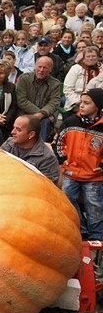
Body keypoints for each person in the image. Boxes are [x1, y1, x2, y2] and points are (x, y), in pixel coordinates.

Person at [52, 88, 103, 240]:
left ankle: (97, 235)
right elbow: (58, 141)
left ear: (98, 107)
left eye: (87, 103)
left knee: (95, 205)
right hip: (71, 172)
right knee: (67, 200)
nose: (81, 105)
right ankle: (79, 229)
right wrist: (63, 159)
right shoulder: (70, 121)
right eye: (81, 102)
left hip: (94, 175)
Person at [0, 114, 60, 184]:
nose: (12, 132)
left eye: (18, 130)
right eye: (14, 128)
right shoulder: (9, 143)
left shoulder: (47, 158)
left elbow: (47, 187)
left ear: (31, 134)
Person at [15, 56, 61, 141]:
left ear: (50, 69)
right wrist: (41, 113)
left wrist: (42, 114)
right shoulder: (24, 79)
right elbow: (21, 100)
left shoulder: (55, 84)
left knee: (45, 122)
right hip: (24, 113)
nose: (41, 70)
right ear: (35, 67)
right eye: (39, 66)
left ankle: (40, 149)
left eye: (45, 67)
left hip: (44, 117)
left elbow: (54, 103)